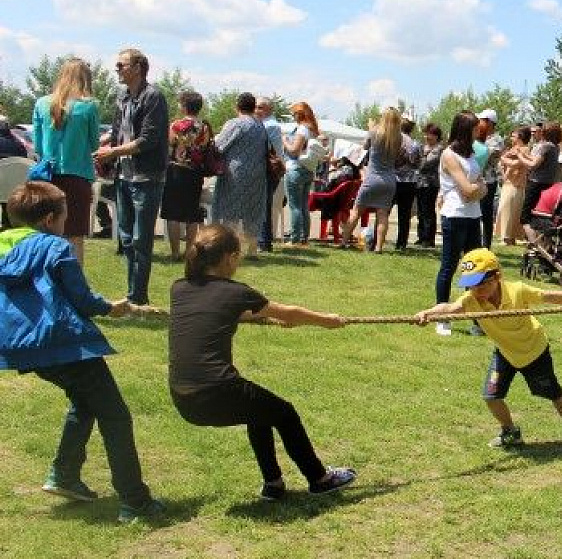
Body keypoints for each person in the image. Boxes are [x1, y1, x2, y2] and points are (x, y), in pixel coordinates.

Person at [0, 181, 164, 523]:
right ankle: (135, 501)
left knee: (85, 400)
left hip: (22, 346)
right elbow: (84, 302)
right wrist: (113, 307)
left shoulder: (3, 245)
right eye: (65, 215)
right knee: (116, 416)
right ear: (49, 219)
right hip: (63, 344)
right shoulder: (56, 247)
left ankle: (65, 475)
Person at [168, 223, 355, 499]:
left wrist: (265, 319)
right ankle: (320, 479)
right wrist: (326, 321)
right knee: (285, 413)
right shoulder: (236, 292)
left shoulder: (180, 288)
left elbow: (218, 312)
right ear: (230, 257)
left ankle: (274, 484)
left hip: (183, 397)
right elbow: (289, 312)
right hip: (217, 390)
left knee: (259, 410)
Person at [416, 248, 562, 448]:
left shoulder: (517, 291)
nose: (475, 291)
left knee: (553, 393)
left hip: (534, 351)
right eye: (471, 286)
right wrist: (427, 313)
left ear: (496, 277)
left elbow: (549, 296)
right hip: (505, 353)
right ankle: (510, 431)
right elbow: (448, 308)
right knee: (491, 396)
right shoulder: (470, 300)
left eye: (480, 285)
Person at [94, 47, 169, 306]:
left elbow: (149, 139)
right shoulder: (122, 96)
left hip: (147, 178)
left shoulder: (153, 97)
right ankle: (133, 294)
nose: (117, 69)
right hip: (123, 177)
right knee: (125, 238)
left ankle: (138, 297)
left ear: (138, 67)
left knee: (140, 240)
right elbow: (117, 132)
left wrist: (113, 150)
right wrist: (104, 147)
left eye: (121, 65)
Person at [31, 58, 101, 265]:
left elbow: (37, 146)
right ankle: (74, 288)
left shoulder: (41, 103)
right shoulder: (89, 106)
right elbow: (94, 144)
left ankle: (46, 283)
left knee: (46, 235)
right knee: (74, 237)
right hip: (77, 177)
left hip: (47, 178)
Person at [433, 111, 485, 329]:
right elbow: (466, 188)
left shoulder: (471, 154)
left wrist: (477, 189)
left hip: (473, 215)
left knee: (474, 268)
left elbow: (479, 187)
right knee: (449, 266)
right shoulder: (448, 155)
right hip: (455, 215)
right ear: (465, 129)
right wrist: (476, 188)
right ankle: (442, 318)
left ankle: (474, 318)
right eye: (475, 128)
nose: (478, 131)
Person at [211, 93, 268, 259]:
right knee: (253, 211)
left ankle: (229, 249)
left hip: (236, 173)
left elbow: (219, 147)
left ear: (237, 106)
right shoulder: (260, 125)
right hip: (258, 173)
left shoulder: (235, 124)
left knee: (231, 210)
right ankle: (252, 249)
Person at [161, 91, 213, 260]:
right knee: (192, 213)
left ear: (184, 106)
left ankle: (175, 252)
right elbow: (205, 148)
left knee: (173, 213)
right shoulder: (204, 127)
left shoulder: (175, 126)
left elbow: (169, 147)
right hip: (196, 172)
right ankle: (189, 251)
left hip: (176, 170)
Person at [345, 107, 400, 252]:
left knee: (356, 211)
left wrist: (370, 127)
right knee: (382, 215)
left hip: (373, 178)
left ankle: (344, 241)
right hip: (389, 180)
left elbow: (365, 146)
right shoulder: (397, 137)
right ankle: (378, 247)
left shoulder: (375, 131)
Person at [282, 102, 322, 246]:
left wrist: (285, 141)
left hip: (295, 169)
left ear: (299, 114)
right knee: (304, 205)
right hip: (308, 170)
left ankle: (295, 239)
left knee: (295, 206)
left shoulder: (302, 129)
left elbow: (294, 151)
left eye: (293, 114)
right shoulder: (313, 130)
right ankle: (304, 238)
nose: (293, 116)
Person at [519, 123, 562, 242]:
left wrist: (519, 156)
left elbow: (533, 165)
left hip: (536, 184)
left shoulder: (546, 146)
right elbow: (538, 160)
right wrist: (524, 155)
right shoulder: (555, 147)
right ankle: (543, 243)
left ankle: (535, 244)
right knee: (540, 217)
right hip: (548, 185)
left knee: (525, 218)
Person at [253, 98, 285, 252]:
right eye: (255, 107)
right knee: (264, 205)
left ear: (269, 110)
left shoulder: (269, 125)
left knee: (263, 206)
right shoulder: (268, 124)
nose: (256, 110)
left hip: (269, 170)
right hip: (270, 169)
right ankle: (264, 241)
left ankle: (263, 242)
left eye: (260, 107)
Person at [496, 126, 531, 246]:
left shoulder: (525, 150)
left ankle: (508, 237)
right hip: (508, 183)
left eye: (514, 136)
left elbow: (515, 164)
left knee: (511, 210)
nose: (511, 138)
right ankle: (508, 237)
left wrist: (502, 157)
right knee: (505, 209)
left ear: (520, 137)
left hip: (517, 184)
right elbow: (506, 163)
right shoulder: (513, 149)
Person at [474, 109, 504, 248]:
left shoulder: (496, 140)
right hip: (475, 179)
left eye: (482, 120)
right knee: (475, 213)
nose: (479, 123)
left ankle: (486, 246)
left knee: (485, 215)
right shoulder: (478, 137)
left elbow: (485, 156)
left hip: (488, 181)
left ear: (490, 122)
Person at [392, 118, 421, 251]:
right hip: (410, 182)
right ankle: (401, 243)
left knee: (384, 211)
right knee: (404, 215)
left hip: (394, 180)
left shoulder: (395, 141)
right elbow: (417, 164)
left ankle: (377, 239)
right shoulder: (415, 144)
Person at [414, 122, 443, 247]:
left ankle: (428, 239)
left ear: (436, 136)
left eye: (430, 134)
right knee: (420, 211)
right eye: (426, 133)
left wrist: (423, 156)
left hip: (431, 184)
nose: (427, 136)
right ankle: (421, 236)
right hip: (419, 182)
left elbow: (425, 165)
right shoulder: (423, 147)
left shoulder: (439, 149)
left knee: (428, 211)